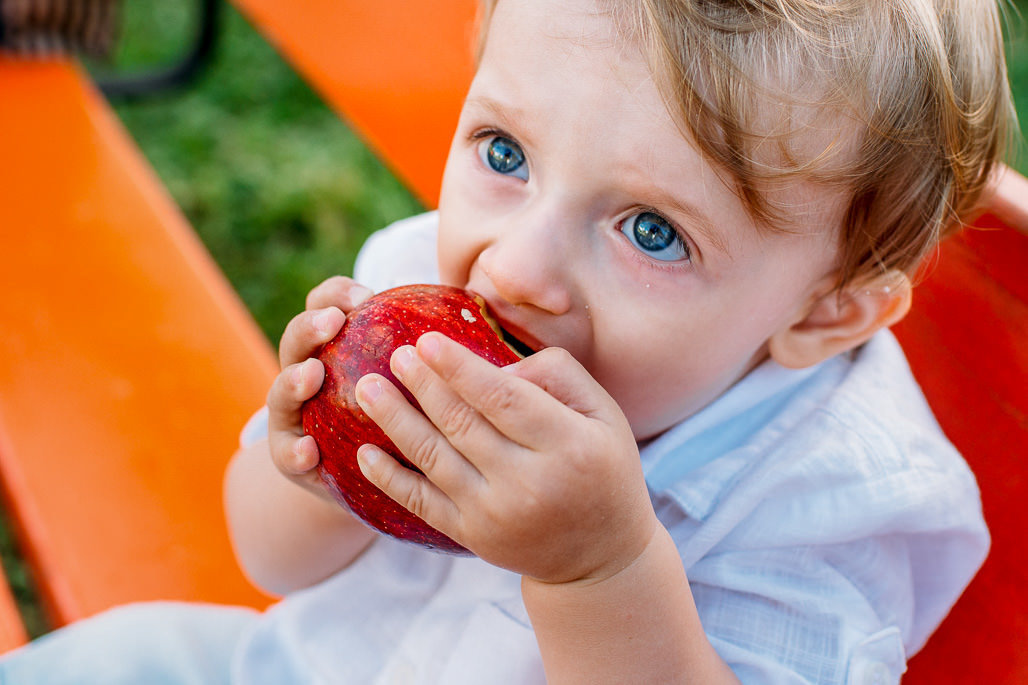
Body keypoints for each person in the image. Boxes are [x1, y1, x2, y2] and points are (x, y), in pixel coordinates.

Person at [0, 0, 1015, 683]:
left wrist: (599, 569)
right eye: (502, 152)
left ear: (822, 312)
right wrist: (307, 466)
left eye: (651, 231)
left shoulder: (829, 501)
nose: (517, 267)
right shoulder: (415, 281)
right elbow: (269, 559)